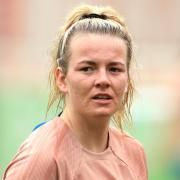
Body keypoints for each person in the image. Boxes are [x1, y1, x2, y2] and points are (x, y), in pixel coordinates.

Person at [3, 5, 148, 180]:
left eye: (114, 69)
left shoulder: (133, 153)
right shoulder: (43, 157)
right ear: (62, 79)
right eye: (87, 68)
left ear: (127, 80)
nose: (103, 80)